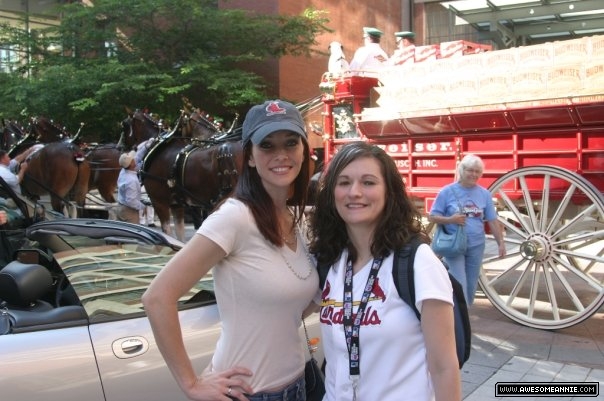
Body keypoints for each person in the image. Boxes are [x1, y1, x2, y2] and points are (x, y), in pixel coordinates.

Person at [142, 99, 318, 401]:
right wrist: (191, 384)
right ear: (249, 156)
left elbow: (285, 309)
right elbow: (157, 298)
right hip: (248, 394)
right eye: (267, 145)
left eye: (291, 143)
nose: (281, 155)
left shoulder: (294, 220)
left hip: (296, 385)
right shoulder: (234, 217)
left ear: (303, 150)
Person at [309, 141, 460, 401]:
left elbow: (444, 366)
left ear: (389, 192)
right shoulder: (328, 260)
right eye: (344, 182)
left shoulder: (417, 262)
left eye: (368, 182)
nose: (354, 192)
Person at [428, 154, 506, 305]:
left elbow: (492, 220)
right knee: (459, 282)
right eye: (470, 170)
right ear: (462, 170)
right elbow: (432, 217)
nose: (474, 174)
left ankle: (465, 316)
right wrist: (451, 220)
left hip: (476, 245)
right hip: (454, 245)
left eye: (477, 171)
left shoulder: (484, 194)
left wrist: (500, 243)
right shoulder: (447, 191)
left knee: (471, 285)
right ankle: (458, 318)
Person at [116, 150, 145, 224]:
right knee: (132, 233)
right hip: (129, 212)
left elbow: (138, 160)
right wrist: (142, 206)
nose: (134, 159)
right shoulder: (131, 181)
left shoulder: (123, 171)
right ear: (131, 164)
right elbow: (131, 201)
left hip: (121, 207)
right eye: (133, 160)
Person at [134, 138, 156, 227]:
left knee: (149, 202)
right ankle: (143, 220)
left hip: (146, 181)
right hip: (141, 181)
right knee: (142, 201)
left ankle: (150, 221)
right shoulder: (139, 159)